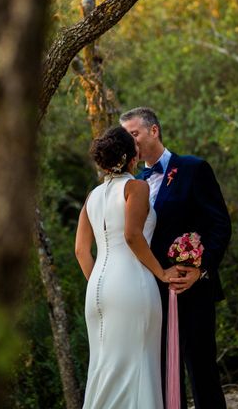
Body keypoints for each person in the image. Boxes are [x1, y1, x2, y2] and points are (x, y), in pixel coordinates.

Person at [121, 107, 232, 409]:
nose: (132, 143)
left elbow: (220, 224)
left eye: (135, 134)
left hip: (193, 286)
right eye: (126, 138)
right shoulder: (135, 184)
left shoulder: (193, 169)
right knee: (164, 371)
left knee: (201, 368)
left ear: (153, 131)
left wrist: (202, 269)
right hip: (153, 291)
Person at [75, 126, 180, 409]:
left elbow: (81, 251)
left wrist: (100, 283)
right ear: (131, 156)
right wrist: (162, 272)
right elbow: (132, 236)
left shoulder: (92, 196)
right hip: (132, 286)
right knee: (138, 366)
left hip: (97, 290)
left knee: (104, 369)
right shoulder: (136, 187)